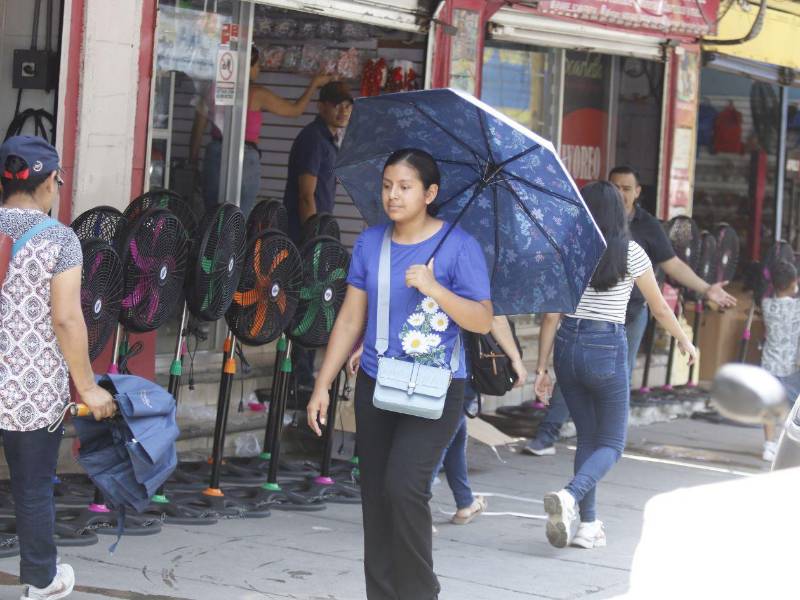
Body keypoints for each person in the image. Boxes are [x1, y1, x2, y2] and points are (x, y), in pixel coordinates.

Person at [306, 148, 493, 600]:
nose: (393, 195)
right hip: (377, 381)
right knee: (375, 495)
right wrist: (322, 385)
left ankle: (420, 591)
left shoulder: (460, 247)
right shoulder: (371, 242)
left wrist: (433, 287)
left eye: (405, 187)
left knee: (405, 486)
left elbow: (482, 319)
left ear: (430, 193)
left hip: (438, 387)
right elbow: (351, 318)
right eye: (388, 185)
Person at [523, 165, 736, 457]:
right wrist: (683, 340)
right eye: (616, 188)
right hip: (592, 328)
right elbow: (661, 306)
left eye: (627, 188)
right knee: (604, 409)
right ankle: (568, 437)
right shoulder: (602, 246)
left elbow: (672, 267)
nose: (621, 193)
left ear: (637, 193)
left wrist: (705, 288)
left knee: (609, 382)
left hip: (626, 316)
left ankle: (604, 440)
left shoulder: (645, 228)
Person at [535, 181, 697, 550]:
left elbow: (550, 315)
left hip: (567, 345)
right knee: (612, 442)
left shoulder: (569, 248)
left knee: (588, 438)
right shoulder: (632, 252)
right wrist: (684, 340)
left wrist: (541, 368)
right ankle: (570, 495)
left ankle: (588, 526)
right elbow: (658, 307)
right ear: (619, 213)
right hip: (605, 344)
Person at [0, 136, 115, 600]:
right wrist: (88, 387)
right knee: (31, 489)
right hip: (30, 392)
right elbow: (67, 318)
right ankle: (41, 581)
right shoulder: (59, 240)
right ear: (50, 180)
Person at [189, 44, 331, 217]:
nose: (259, 69)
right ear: (247, 66)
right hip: (246, 157)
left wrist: (193, 161)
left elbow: (198, 127)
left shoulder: (214, 90)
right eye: (257, 65)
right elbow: (296, 110)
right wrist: (314, 84)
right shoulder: (256, 94)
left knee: (211, 215)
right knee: (240, 218)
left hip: (215, 152)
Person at [284, 81, 354, 391]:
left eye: (348, 105)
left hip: (317, 232)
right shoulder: (313, 139)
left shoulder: (329, 140)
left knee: (313, 302)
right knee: (306, 304)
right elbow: (305, 194)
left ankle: (302, 375)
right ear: (321, 106)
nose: (343, 110)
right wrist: (313, 239)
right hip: (307, 234)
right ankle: (298, 378)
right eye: (337, 103)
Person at [430, 316, 526, 526]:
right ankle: (416, 505)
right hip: (461, 360)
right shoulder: (475, 280)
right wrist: (516, 359)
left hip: (432, 353)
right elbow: (494, 317)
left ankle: (465, 502)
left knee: (456, 428)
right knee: (443, 436)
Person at [759, 260, 800, 462]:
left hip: (769, 364)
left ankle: (768, 445)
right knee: (790, 407)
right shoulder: (797, 307)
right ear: (794, 283)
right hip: (791, 366)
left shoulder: (766, 305)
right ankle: (787, 444)